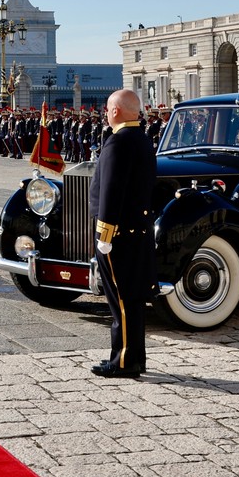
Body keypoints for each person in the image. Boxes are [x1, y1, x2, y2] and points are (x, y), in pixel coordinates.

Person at [90, 88, 158, 379]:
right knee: (131, 299)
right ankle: (132, 358)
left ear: (115, 111)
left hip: (119, 235)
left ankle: (124, 361)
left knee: (121, 300)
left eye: (107, 109)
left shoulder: (118, 142)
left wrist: (105, 233)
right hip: (136, 231)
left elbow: (112, 191)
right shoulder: (142, 140)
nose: (105, 113)